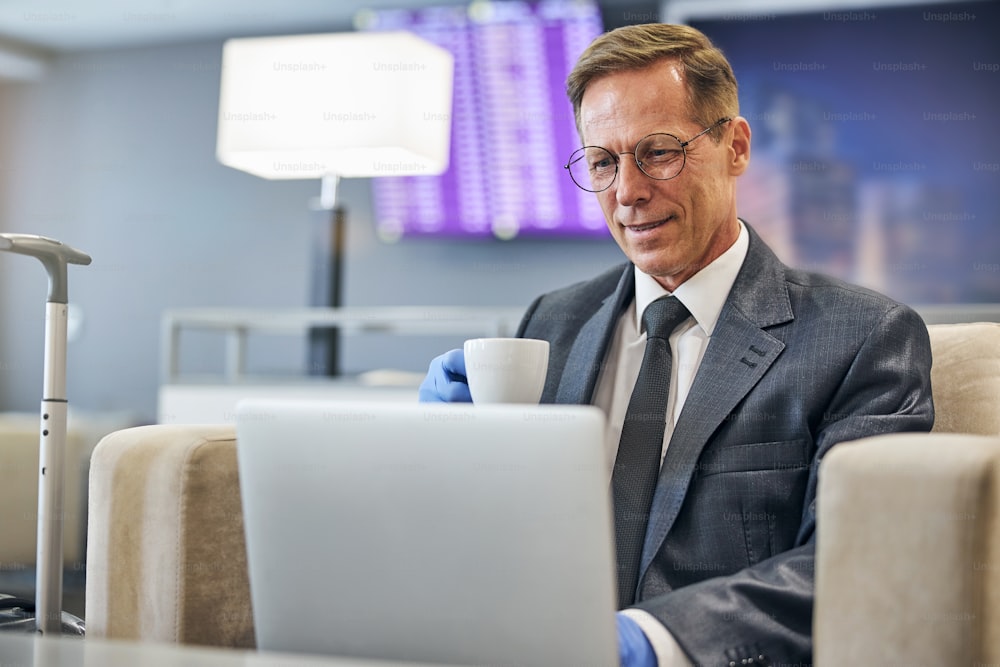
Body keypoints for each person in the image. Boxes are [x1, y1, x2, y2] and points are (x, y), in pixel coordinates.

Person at [419, 23, 933, 667]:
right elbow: (502, 539)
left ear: (736, 147)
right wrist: (440, 461)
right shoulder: (552, 322)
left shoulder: (864, 337)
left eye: (657, 151)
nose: (628, 191)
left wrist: (652, 641)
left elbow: (854, 558)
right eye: (603, 162)